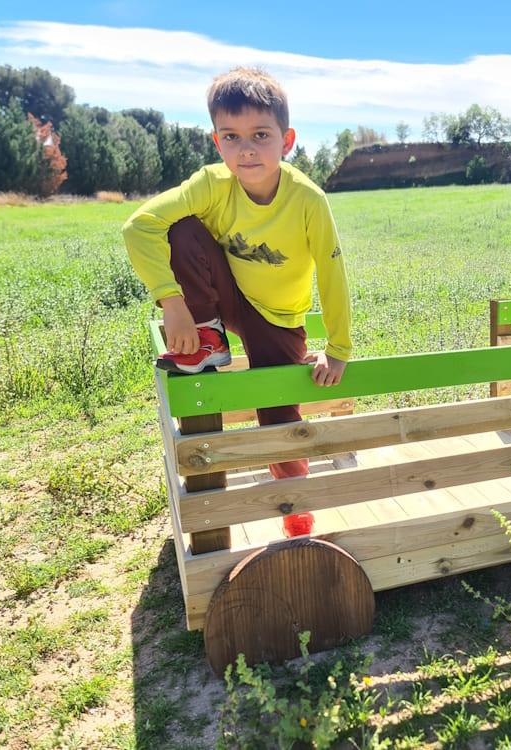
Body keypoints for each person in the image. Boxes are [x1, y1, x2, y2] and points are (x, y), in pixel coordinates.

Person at [122, 67, 351, 535]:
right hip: (224, 299)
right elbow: (138, 227)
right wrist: (173, 304)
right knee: (182, 228)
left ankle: (295, 505)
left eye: (260, 135)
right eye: (232, 136)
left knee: (277, 410)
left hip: (278, 319)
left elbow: (332, 272)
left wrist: (340, 348)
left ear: (286, 141)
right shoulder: (211, 184)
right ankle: (211, 338)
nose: (247, 149)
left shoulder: (308, 199)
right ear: (217, 142)